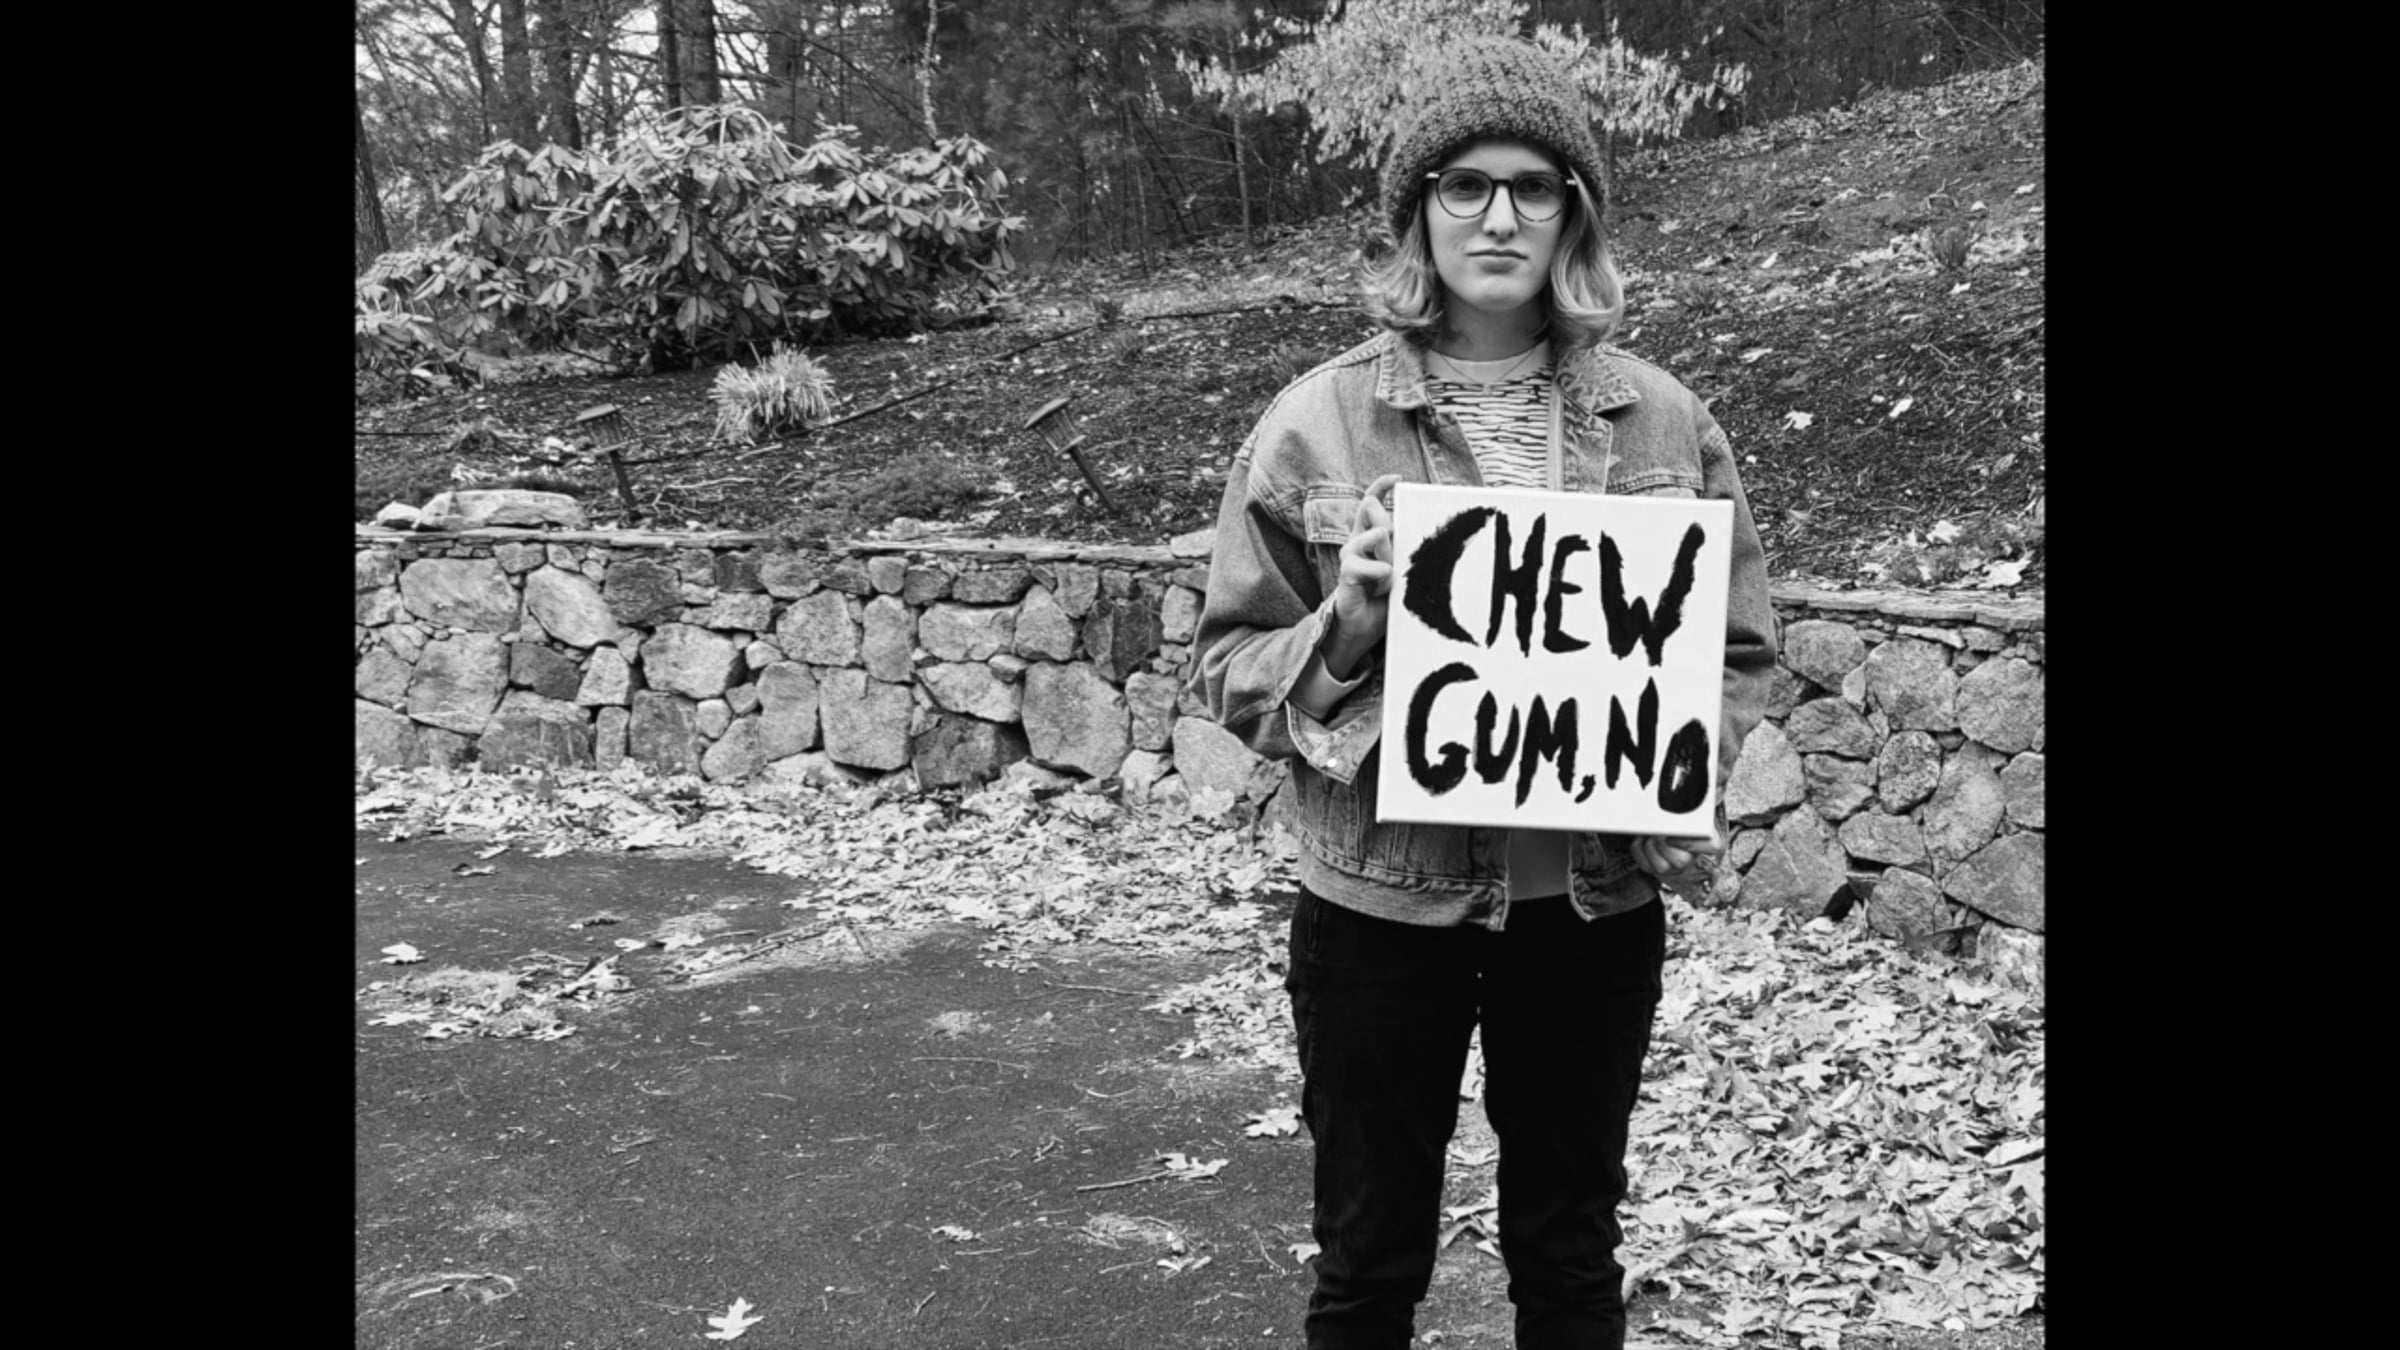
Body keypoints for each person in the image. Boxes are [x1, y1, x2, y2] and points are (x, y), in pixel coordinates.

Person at [1187, 36, 1778, 1350]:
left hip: (1588, 908)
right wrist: (1349, 620)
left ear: (1575, 211)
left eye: (1534, 185)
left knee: (1569, 1259)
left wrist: (1676, 761)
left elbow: (1737, 652)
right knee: (1367, 1262)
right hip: (1377, 909)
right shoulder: (1317, 423)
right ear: (1420, 210)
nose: (1499, 215)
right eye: (1465, 184)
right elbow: (1232, 670)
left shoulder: (1663, 422)